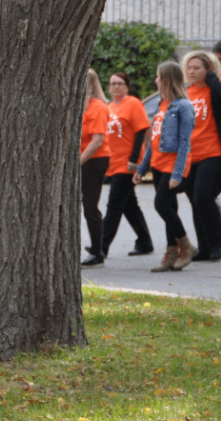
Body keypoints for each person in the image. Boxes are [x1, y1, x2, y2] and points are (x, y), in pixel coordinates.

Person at [134, 61, 197, 272]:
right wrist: (142, 169)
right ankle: (171, 253)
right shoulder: (162, 104)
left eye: (159, 77)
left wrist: (177, 174)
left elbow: (185, 142)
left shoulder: (184, 106)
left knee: (161, 205)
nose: (156, 80)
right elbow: (154, 141)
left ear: (168, 80)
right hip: (158, 165)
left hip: (173, 166)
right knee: (170, 208)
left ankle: (186, 246)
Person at [100, 72, 154, 258]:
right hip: (113, 163)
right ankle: (145, 242)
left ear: (127, 87)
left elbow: (141, 131)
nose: (116, 87)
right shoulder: (110, 107)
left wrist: (134, 159)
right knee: (129, 205)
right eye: (112, 83)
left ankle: (101, 246)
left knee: (114, 205)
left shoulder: (133, 103)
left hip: (128, 163)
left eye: (120, 83)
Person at [181, 51, 221, 261]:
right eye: (189, 68)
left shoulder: (213, 90)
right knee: (196, 203)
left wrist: (212, 76)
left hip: (212, 152)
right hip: (190, 156)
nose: (192, 71)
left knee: (203, 197)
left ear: (208, 69)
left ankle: (217, 244)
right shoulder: (186, 93)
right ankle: (205, 248)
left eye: (197, 68)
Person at [80, 69, 112, 268]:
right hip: (84, 158)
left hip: (94, 159)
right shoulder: (79, 105)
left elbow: (97, 141)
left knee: (90, 206)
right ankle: (94, 247)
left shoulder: (98, 106)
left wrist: (78, 163)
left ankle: (97, 252)